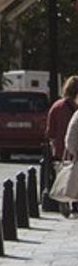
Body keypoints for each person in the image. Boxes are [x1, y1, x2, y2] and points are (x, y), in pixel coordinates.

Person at [48, 75, 78, 218]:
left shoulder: (56, 106)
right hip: (73, 152)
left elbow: (50, 132)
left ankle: (64, 202)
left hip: (61, 150)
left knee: (65, 177)